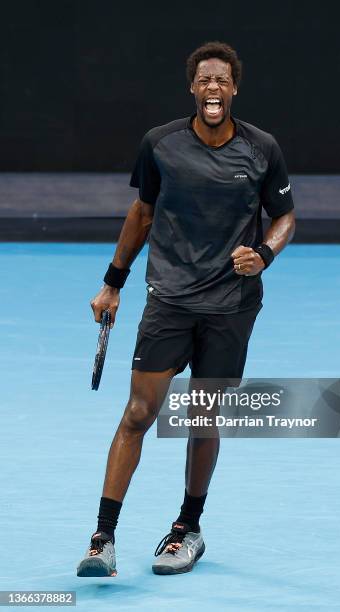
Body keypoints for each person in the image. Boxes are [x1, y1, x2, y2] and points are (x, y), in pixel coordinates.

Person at [77, 41, 295, 577]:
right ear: (192, 88)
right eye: (204, 80)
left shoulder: (262, 148)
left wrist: (263, 254)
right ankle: (102, 538)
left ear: (234, 88)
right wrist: (112, 284)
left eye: (222, 80)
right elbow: (142, 213)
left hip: (231, 305)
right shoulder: (160, 144)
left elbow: (286, 217)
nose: (213, 88)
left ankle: (187, 529)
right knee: (138, 414)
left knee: (203, 418)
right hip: (169, 300)